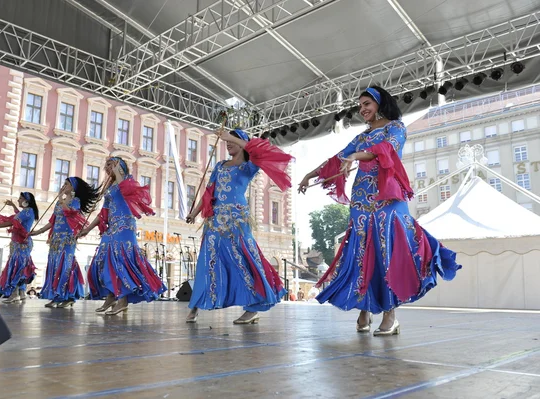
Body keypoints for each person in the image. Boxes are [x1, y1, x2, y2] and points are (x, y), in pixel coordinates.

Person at [298, 86, 461, 336]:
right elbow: (338, 158)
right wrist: (310, 174)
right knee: (362, 255)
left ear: (379, 103)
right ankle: (365, 306)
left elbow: (386, 150)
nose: (362, 109)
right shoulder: (362, 136)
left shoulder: (395, 128)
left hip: (388, 199)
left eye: (366, 104)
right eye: (360, 105)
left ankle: (390, 314)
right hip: (362, 202)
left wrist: (356, 156)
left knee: (388, 253)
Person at [185, 128, 292, 325]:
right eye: (227, 140)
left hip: (237, 220)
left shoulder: (249, 165)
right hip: (215, 221)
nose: (228, 143)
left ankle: (254, 307)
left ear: (243, 142)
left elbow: (261, 152)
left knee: (245, 260)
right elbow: (209, 193)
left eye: (234, 140)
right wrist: (194, 212)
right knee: (207, 260)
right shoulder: (219, 165)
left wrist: (232, 137)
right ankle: (195, 304)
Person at [80, 157, 166, 315]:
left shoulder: (127, 181)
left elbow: (126, 191)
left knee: (120, 259)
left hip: (125, 226)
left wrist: (119, 172)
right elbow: (104, 212)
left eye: (111, 164)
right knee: (103, 259)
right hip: (112, 227)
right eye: (106, 165)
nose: (107, 168)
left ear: (120, 166)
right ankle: (112, 295)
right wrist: (88, 228)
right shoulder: (110, 187)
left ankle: (122, 300)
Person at [30, 177, 99, 308]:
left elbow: (70, 212)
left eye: (67, 184)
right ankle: (60, 296)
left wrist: (61, 199)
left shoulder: (75, 201)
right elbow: (52, 221)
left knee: (65, 265)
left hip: (67, 239)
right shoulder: (59, 203)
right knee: (54, 265)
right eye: (64, 183)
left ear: (73, 187)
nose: (63, 186)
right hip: (56, 239)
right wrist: (38, 232)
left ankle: (66, 295)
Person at [0, 193, 39, 303]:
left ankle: (14, 294)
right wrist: (13, 205)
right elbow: (18, 216)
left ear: (26, 201)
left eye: (20, 199)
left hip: (21, 243)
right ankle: (22, 292)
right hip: (19, 242)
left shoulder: (28, 211)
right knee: (20, 266)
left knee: (16, 266)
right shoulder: (27, 211)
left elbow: (12, 221)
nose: (18, 201)